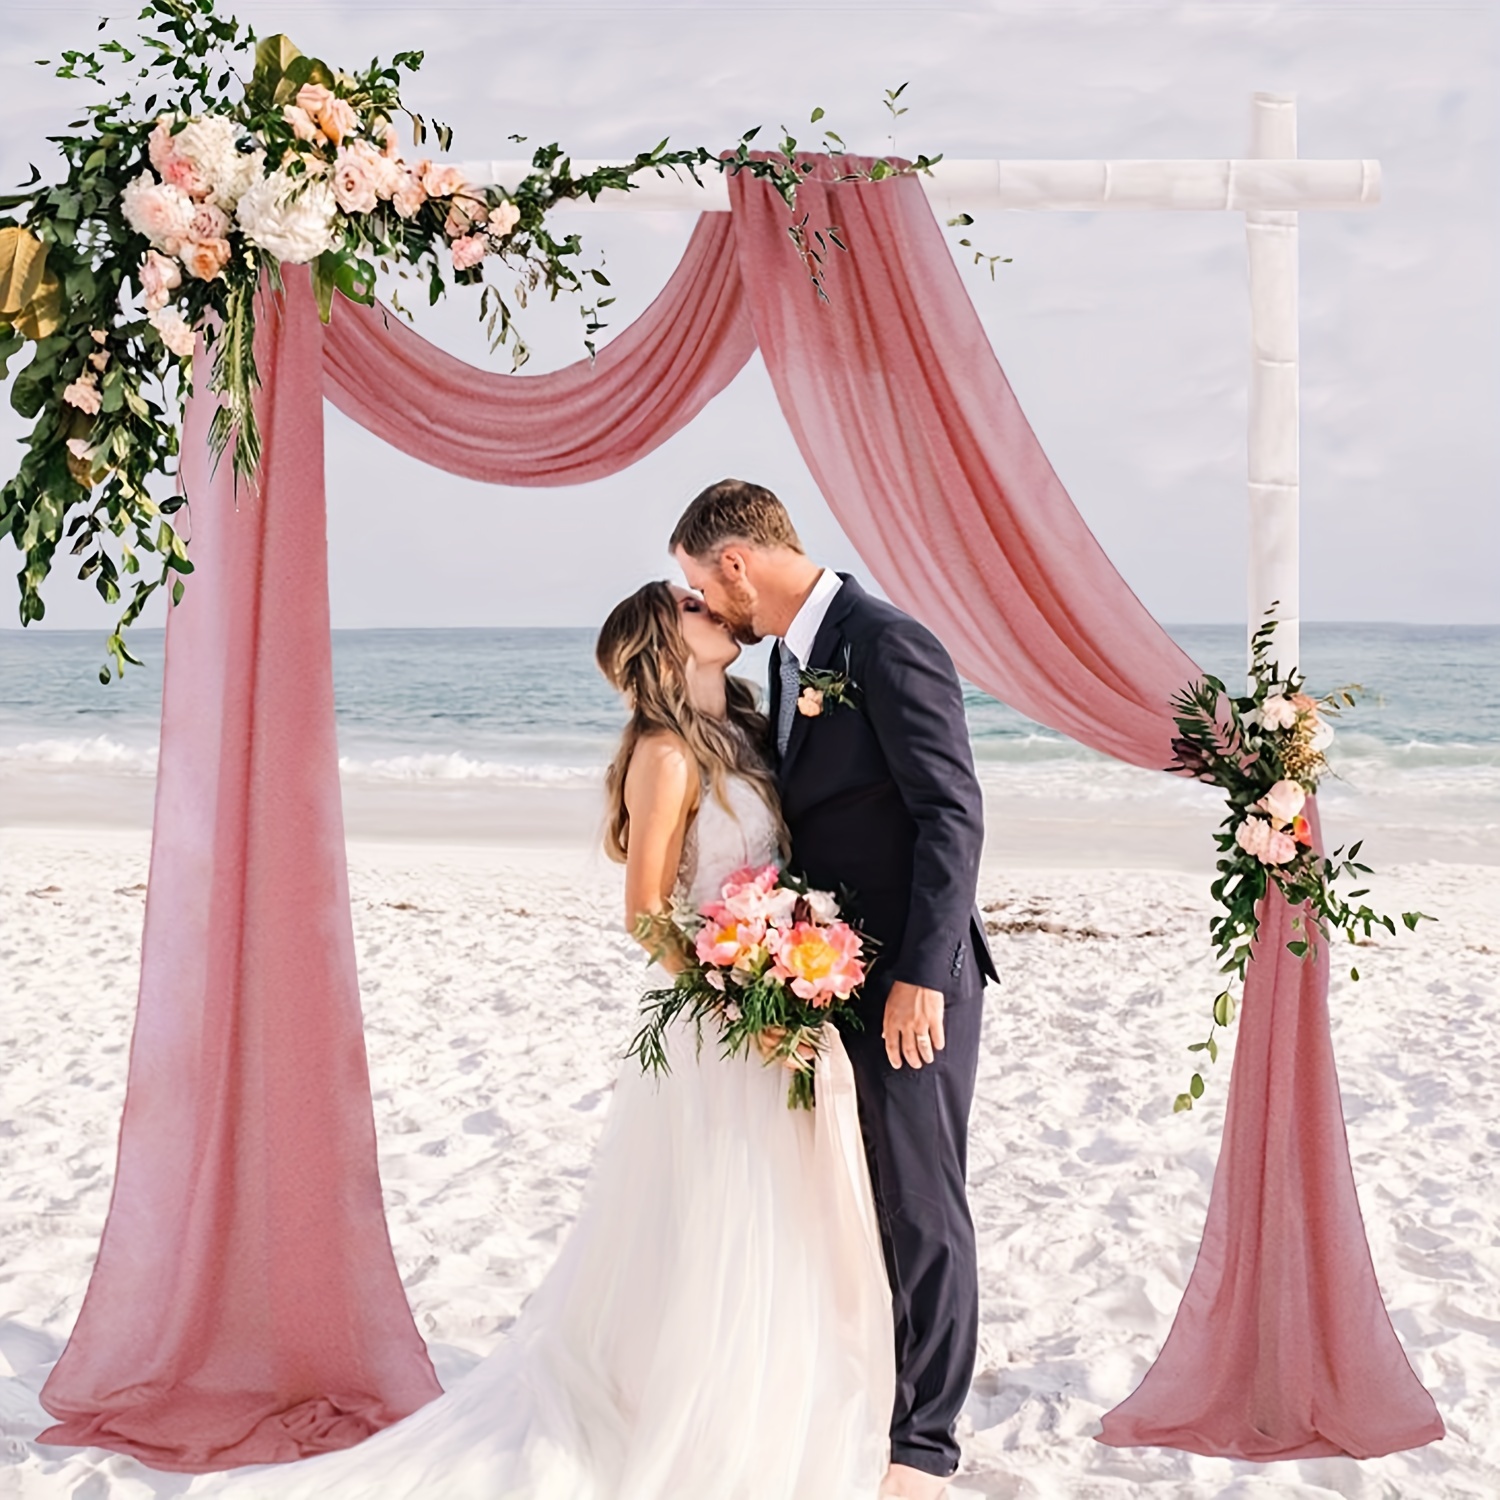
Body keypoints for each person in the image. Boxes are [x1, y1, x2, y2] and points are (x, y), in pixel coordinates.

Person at [194, 579, 894, 1499]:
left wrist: (791, 965)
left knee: (776, 1217)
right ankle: (697, 1407)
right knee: (721, 1221)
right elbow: (647, 912)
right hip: (722, 1028)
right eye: (689, 604)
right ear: (663, 644)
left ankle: (778, 1384)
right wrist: (740, 1002)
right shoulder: (666, 754)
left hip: (770, 1008)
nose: (710, 607)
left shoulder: (746, 740)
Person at [672, 479, 996, 1500]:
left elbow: (952, 815)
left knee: (922, 1203)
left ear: (735, 562)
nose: (703, 605)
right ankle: (880, 1396)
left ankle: (927, 1449)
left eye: (698, 584)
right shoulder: (785, 656)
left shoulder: (885, 641)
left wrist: (920, 978)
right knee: (862, 1199)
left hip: (909, 979)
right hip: (830, 977)